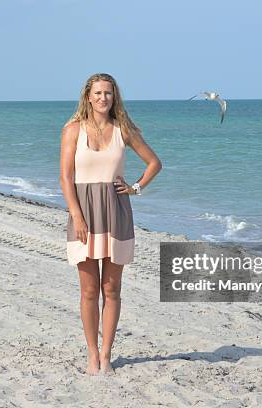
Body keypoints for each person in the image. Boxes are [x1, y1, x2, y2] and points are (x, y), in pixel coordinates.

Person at [59, 73, 162, 375]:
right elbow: (66, 178)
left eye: (109, 93)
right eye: (98, 93)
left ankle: (107, 355)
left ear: (114, 97)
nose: (103, 98)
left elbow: (154, 163)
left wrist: (136, 187)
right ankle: (92, 354)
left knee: (112, 289)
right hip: (84, 214)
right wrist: (76, 215)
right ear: (88, 96)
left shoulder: (123, 130)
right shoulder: (72, 130)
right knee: (90, 290)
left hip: (117, 212)